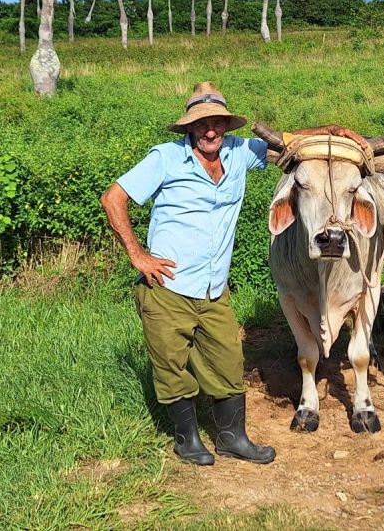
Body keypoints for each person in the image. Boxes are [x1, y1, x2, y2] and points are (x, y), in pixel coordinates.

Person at [100, 81, 363, 465]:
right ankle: (187, 440)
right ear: (189, 127)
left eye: (218, 123)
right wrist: (138, 256)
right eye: (202, 124)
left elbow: (290, 144)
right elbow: (113, 198)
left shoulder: (240, 152)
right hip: (168, 287)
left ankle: (232, 438)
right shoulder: (166, 158)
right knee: (172, 366)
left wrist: (335, 133)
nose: (210, 131)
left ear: (227, 126)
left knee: (228, 361)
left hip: (213, 290)